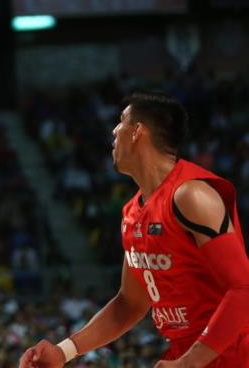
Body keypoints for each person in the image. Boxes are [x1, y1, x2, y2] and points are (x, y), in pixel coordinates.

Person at [19, 91, 249, 367]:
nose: (114, 131)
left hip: (232, 353)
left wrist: (191, 362)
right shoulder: (132, 213)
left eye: (121, 122)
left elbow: (243, 288)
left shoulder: (191, 195)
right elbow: (129, 303)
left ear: (138, 131)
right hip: (185, 354)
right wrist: (64, 351)